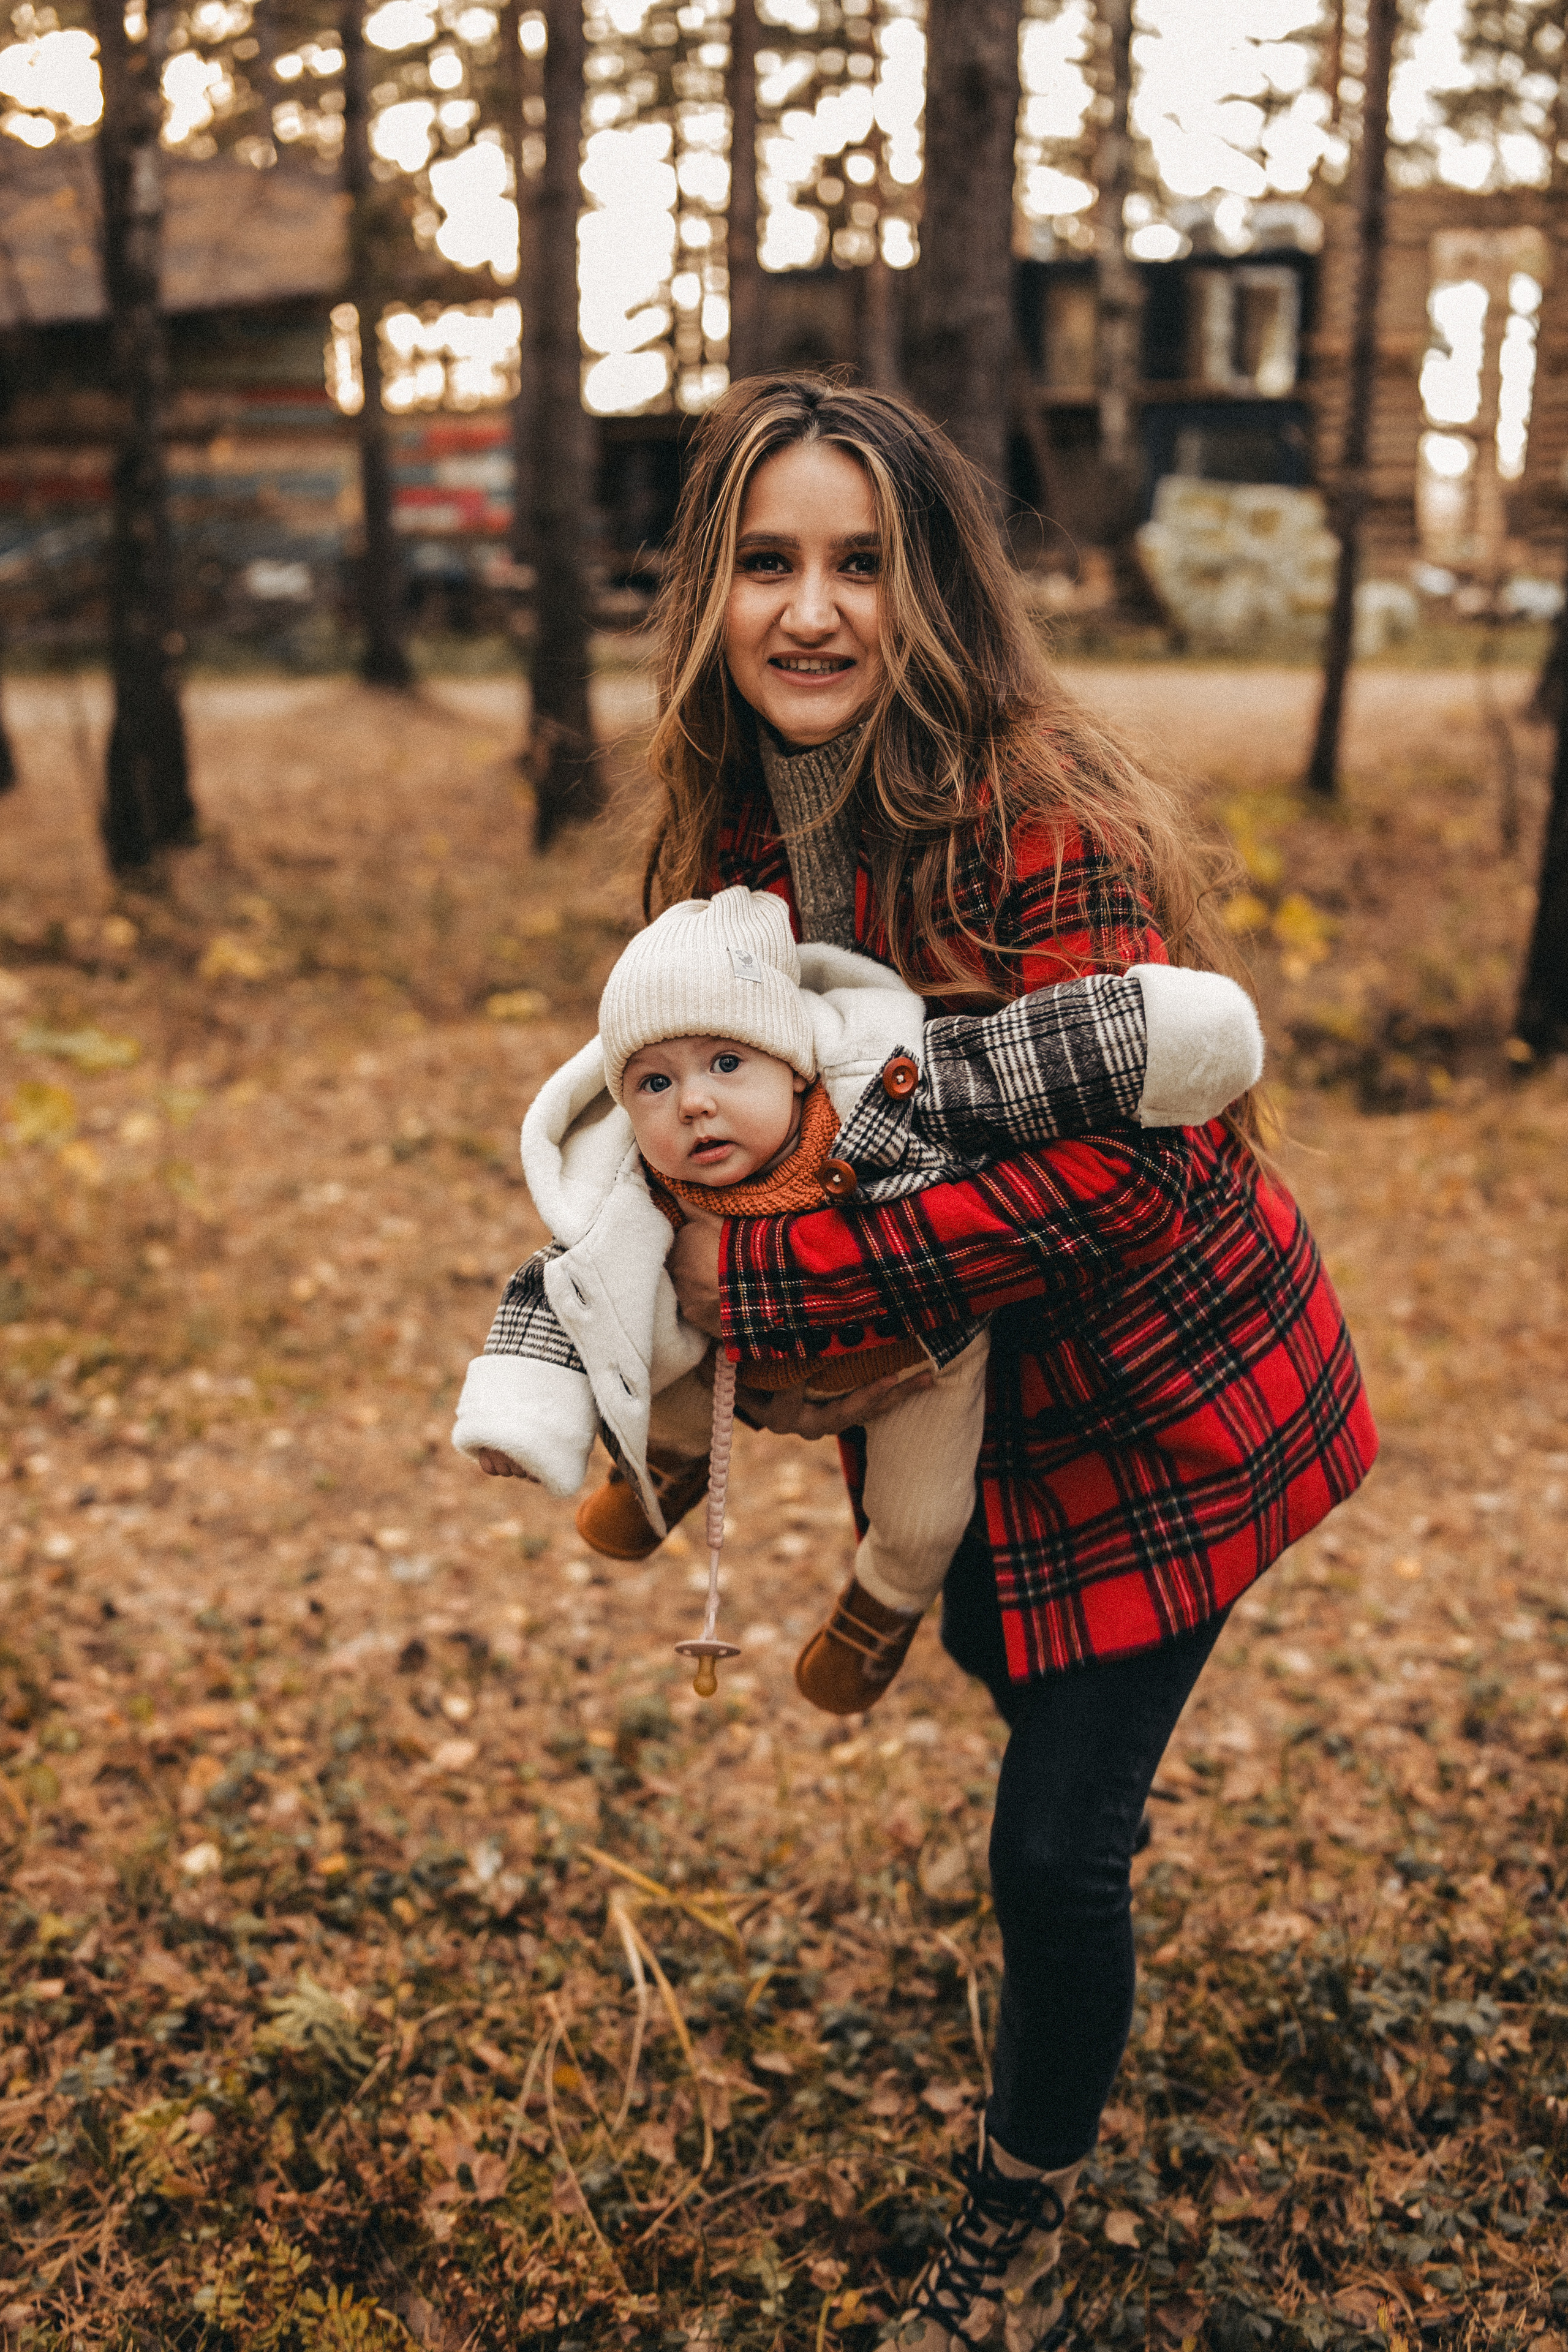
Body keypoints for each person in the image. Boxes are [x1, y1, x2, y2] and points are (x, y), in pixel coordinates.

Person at [638, 375, 1378, 2351]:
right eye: (769, 561)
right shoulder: (734, 835)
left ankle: (1019, 2206)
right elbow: (712, 1101)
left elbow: (1129, 1192)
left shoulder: (1038, 811)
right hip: (975, 1422)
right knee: (996, 1667)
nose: (813, 610)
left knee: (1055, 1851)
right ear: (709, 591)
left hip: (1168, 1408)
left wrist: (775, 1297)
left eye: (863, 564)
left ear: (935, 588)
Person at [453, 884, 1262, 1715]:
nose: (694, 1102)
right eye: (655, 1083)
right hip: (744, 1347)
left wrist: (1163, 1038)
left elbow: (1018, 1065)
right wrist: (520, 1422)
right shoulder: (644, 1183)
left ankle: (882, 1608)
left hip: (920, 1354)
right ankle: (664, 1466)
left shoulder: (886, 1094)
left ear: (792, 1064)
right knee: (648, 1332)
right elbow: (559, 1291)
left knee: (920, 1513)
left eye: (727, 1064)